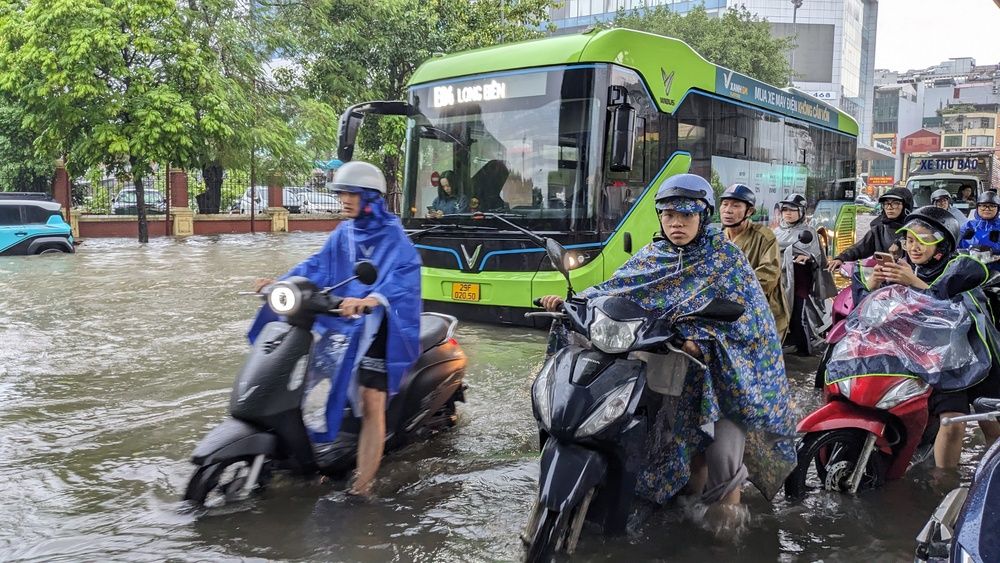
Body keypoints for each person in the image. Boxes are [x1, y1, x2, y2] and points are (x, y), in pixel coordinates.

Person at [539, 173, 796, 526]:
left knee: (722, 455)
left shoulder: (726, 261)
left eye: (686, 216)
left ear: (702, 216)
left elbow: (750, 327)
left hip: (722, 376)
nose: (676, 223)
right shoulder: (652, 256)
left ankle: (726, 536)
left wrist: (703, 340)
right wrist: (571, 303)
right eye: (669, 215)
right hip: (668, 369)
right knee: (667, 445)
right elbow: (614, 291)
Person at [251, 161, 422, 496]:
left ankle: (364, 486)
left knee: (370, 398)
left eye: (351, 193)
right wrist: (281, 282)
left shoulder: (393, 236)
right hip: (343, 319)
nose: (344, 199)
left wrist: (374, 299)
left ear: (370, 197)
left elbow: (405, 276)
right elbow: (316, 265)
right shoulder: (344, 233)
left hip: (379, 325)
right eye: (341, 192)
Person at [858, 206, 1000, 468]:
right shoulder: (910, 269)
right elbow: (878, 313)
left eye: (923, 239)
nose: (914, 246)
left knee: (980, 420)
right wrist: (875, 284)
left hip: (973, 358)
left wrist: (912, 282)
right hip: (933, 358)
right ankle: (935, 477)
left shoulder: (962, 268)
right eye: (909, 239)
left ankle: (972, 479)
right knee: (947, 420)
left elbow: (951, 308)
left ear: (943, 245)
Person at [719, 183, 789, 339]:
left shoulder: (764, 236)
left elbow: (768, 274)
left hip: (763, 313)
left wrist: (732, 290)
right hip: (729, 314)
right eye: (724, 204)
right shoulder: (718, 238)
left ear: (749, 211)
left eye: (736, 205)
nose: (728, 210)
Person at [774, 194, 835, 356]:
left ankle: (806, 350)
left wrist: (808, 257)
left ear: (801, 212)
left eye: (793, 210)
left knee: (800, 315)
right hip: (780, 281)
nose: (788, 213)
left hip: (800, 282)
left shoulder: (809, 232)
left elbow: (817, 256)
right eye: (785, 209)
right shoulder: (776, 232)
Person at [828, 187, 913, 272]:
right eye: (886, 203)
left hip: (909, 277)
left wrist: (903, 245)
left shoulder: (915, 229)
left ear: (906, 206)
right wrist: (841, 258)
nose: (889, 207)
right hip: (881, 276)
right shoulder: (879, 228)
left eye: (895, 203)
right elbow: (860, 247)